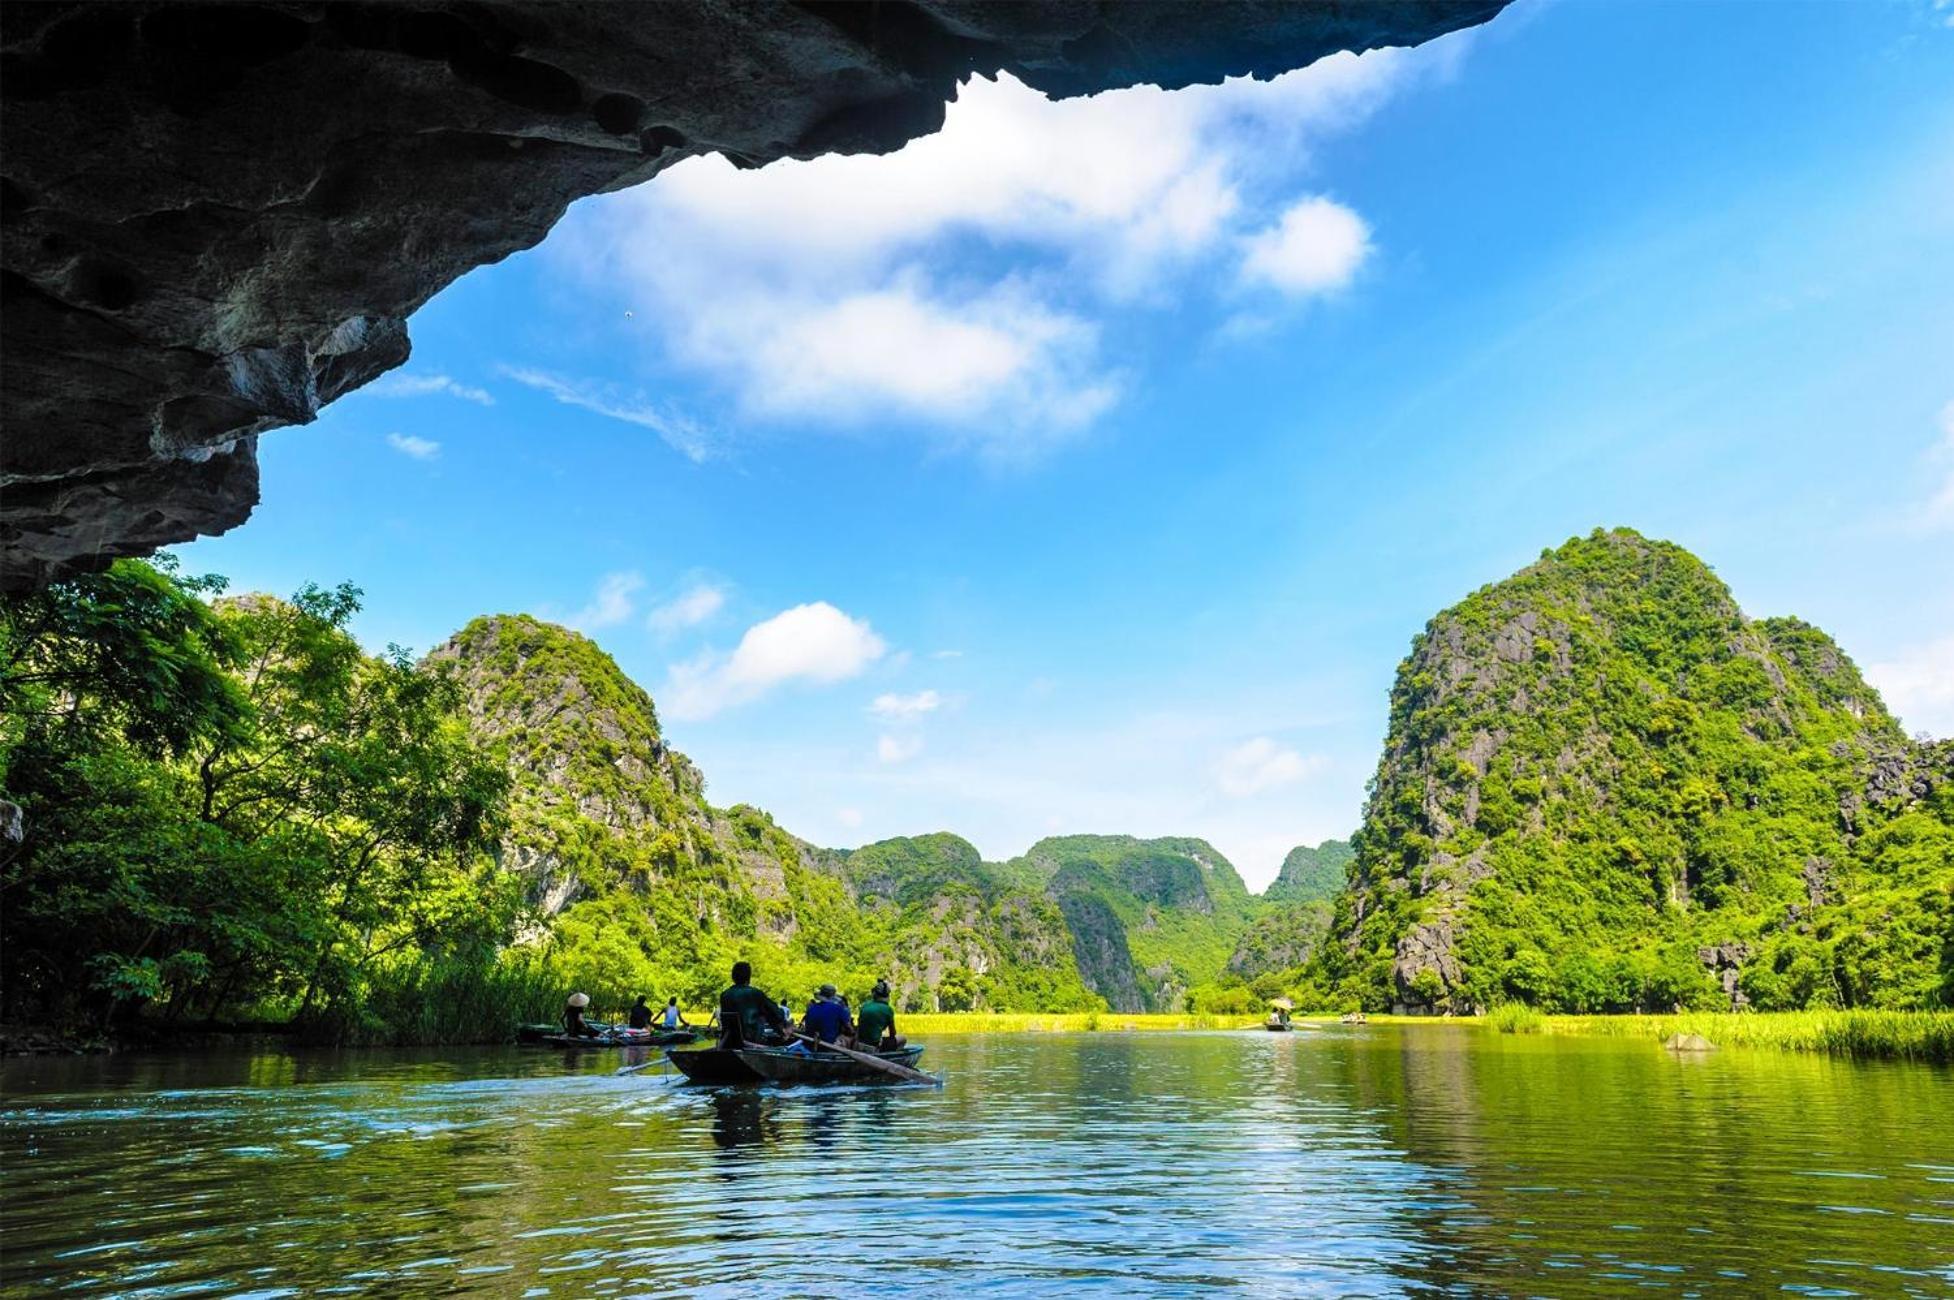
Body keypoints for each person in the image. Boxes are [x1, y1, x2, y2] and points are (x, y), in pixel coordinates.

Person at [718, 961, 789, 1048]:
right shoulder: (755, 994)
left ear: (733, 977)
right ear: (749, 977)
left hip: (728, 1042)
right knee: (766, 1014)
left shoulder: (724, 995)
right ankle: (784, 1035)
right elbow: (777, 1015)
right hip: (751, 1042)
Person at [856, 980, 901, 1051]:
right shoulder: (888, 1009)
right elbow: (892, 1033)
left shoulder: (865, 1006)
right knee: (902, 1039)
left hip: (859, 1044)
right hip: (874, 1045)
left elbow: (859, 1026)